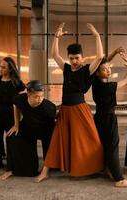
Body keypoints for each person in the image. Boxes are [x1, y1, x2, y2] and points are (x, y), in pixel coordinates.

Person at [35, 22, 104, 182]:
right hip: (65, 110)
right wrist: (56, 38)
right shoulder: (66, 69)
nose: (74, 61)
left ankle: (96, 166)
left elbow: (100, 57)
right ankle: (45, 171)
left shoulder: (87, 70)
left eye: (77, 58)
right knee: (58, 139)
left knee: (88, 139)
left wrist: (96, 36)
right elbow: (54, 55)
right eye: (71, 58)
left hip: (80, 109)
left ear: (82, 57)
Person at [92, 51, 127, 188]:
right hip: (108, 118)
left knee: (104, 145)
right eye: (104, 70)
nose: (108, 71)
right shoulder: (107, 87)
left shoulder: (96, 82)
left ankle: (107, 169)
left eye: (109, 68)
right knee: (112, 146)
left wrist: (114, 54)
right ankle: (119, 179)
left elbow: (102, 62)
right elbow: (126, 79)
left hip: (99, 117)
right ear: (98, 73)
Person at [0, 80, 56, 180]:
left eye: (42, 96)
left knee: (49, 143)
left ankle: (45, 171)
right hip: (28, 126)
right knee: (11, 137)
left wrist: (44, 171)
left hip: (45, 129)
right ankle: (11, 169)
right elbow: (15, 105)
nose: (40, 99)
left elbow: (53, 123)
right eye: (36, 96)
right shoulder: (20, 99)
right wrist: (16, 124)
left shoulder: (48, 107)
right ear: (28, 94)